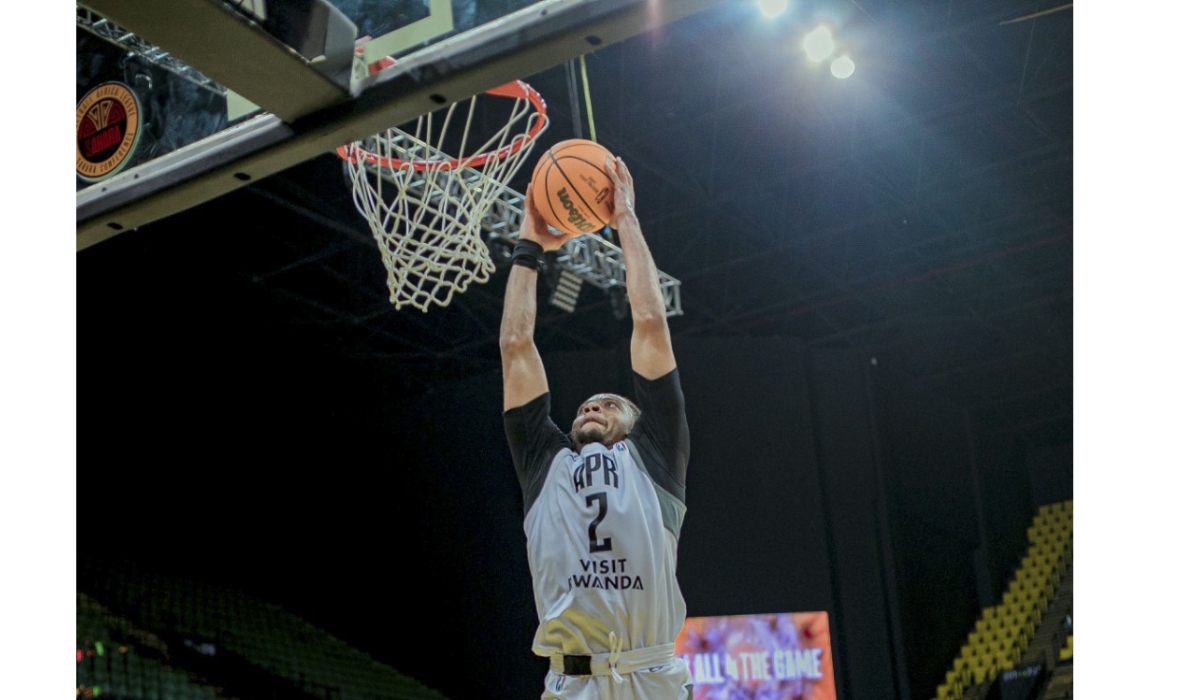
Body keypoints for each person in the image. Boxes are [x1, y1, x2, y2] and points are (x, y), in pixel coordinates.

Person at [500, 155, 693, 700]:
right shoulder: (545, 463)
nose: (591, 407)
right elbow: (516, 348)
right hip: (572, 683)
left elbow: (651, 323)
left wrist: (624, 218)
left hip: (651, 676)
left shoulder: (653, 459)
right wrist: (528, 245)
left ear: (636, 424)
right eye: (585, 405)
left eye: (610, 403)